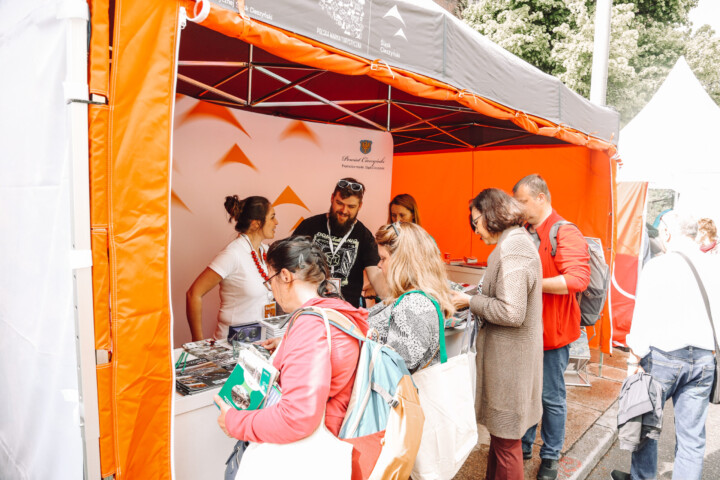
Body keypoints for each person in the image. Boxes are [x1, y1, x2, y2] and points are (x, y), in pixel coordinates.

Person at [214, 236, 370, 458]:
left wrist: (234, 422)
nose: (271, 291)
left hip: (311, 453)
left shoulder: (311, 326)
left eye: (270, 280)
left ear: (285, 276)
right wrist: (287, 346)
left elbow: (296, 416)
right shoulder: (336, 310)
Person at [611, 211, 720, 480]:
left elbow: (642, 317)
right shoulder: (714, 266)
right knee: (692, 440)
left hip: (662, 357)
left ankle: (642, 477)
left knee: (646, 427)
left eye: (661, 232)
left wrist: (633, 360)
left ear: (668, 232)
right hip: (704, 358)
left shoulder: (658, 266)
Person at [452, 188, 543, 480]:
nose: (475, 230)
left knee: (506, 446)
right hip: (508, 365)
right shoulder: (514, 242)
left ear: (492, 215)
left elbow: (512, 312)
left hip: (510, 367)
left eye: (475, 221)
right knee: (502, 442)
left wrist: (470, 302)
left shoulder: (514, 247)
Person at [512, 174, 590, 480]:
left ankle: (551, 456)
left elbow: (577, 279)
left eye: (522, 201)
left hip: (553, 335)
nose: (518, 207)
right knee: (529, 393)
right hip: (528, 332)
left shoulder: (564, 231)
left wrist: (531, 284)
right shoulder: (526, 230)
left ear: (541, 197)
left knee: (551, 397)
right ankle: (527, 445)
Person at [186, 195, 279, 341]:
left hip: (260, 344)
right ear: (256, 224)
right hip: (232, 346)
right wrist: (198, 343)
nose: (276, 222)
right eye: (272, 217)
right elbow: (193, 294)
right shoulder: (233, 254)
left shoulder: (266, 251)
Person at [368, 222, 454, 372]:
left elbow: (393, 368)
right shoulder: (414, 299)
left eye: (383, 258)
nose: (379, 265)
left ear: (402, 261)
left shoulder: (415, 305)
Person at [293, 178, 388, 307]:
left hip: (345, 314)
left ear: (360, 206)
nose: (344, 210)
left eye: (351, 206)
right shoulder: (309, 226)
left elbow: (376, 274)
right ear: (332, 198)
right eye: (339, 203)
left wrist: (388, 296)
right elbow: (290, 262)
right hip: (310, 308)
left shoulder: (364, 236)